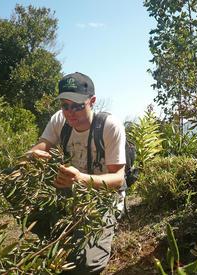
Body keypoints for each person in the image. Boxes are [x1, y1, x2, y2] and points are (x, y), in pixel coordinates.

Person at [27, 72, 126, 274]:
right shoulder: (59, 121)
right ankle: (56, 238)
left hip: (102, 197)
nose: (71, 112)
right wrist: (33, 154)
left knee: (86, 264)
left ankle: (95, 234)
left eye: (78, 106)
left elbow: (118, 178)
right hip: (68, 192)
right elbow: (40, 146)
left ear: (92, 101)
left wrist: (81, 179)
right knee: (32, 215)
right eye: (65, 105)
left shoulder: (109, 126)